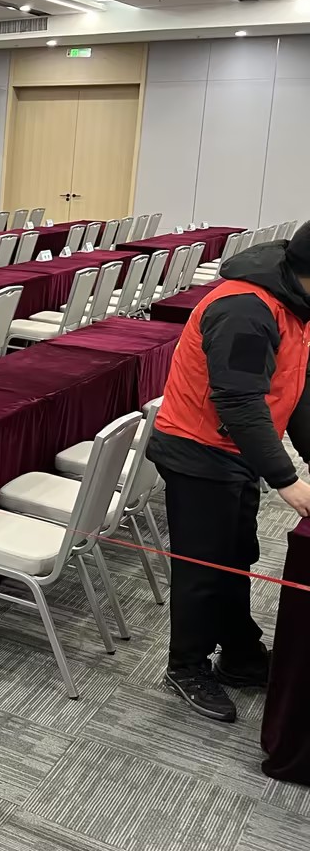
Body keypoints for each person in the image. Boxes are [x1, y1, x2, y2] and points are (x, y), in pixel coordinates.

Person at [151, 226, 310, 723]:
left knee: (236, 556)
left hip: (236, 450)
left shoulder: (294, 304)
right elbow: (239, 401)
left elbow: (297, 388)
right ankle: (186, 667)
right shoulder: (245, 310)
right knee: (203, 568)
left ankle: (239, 655)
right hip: (199, 452)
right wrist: (287, 480)